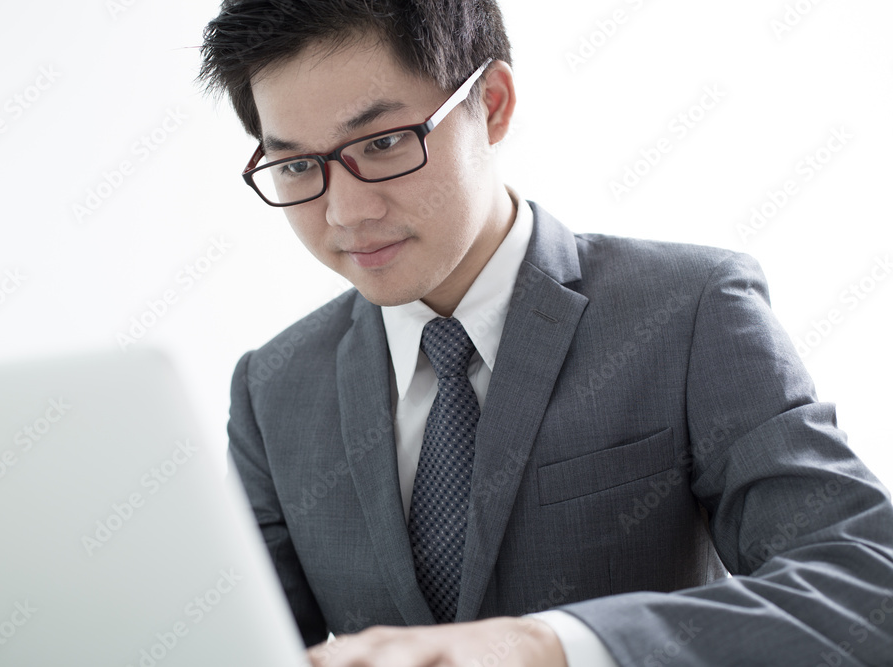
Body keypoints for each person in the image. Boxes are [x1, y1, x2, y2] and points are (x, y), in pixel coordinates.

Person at [199, 1, 893, 665]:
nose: (344, 212)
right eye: (295, 165)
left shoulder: (689, 310)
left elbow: (867, 585)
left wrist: (554, 648)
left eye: (383, 144)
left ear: (492, 105)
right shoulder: (273, 388)